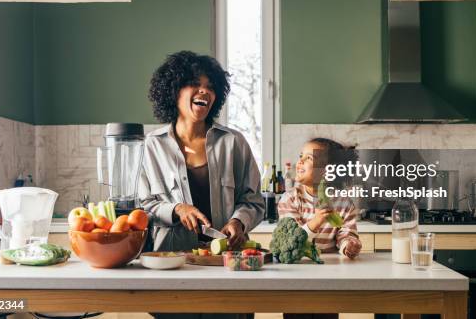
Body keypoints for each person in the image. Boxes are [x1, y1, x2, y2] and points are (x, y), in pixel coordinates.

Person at [138, 51, 264, 319]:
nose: (204, 91)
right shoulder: (152, 145)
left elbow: (253, 200)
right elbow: (143, 206)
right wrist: (177, 210)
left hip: (226, 265)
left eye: (211, 87)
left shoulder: (234, 143)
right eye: (195, 83)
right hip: (172, 266)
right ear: (173, 91)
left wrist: (238, 222)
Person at [277, 138, 362, 319]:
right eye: (301, 156)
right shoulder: (290, 199)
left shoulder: (342, 202)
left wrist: (349, 245)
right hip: (295, 275)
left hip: (329, 277)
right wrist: (315, 222)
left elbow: (346, 231)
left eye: (309, 158)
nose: (300, 161)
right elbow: (290, 241)